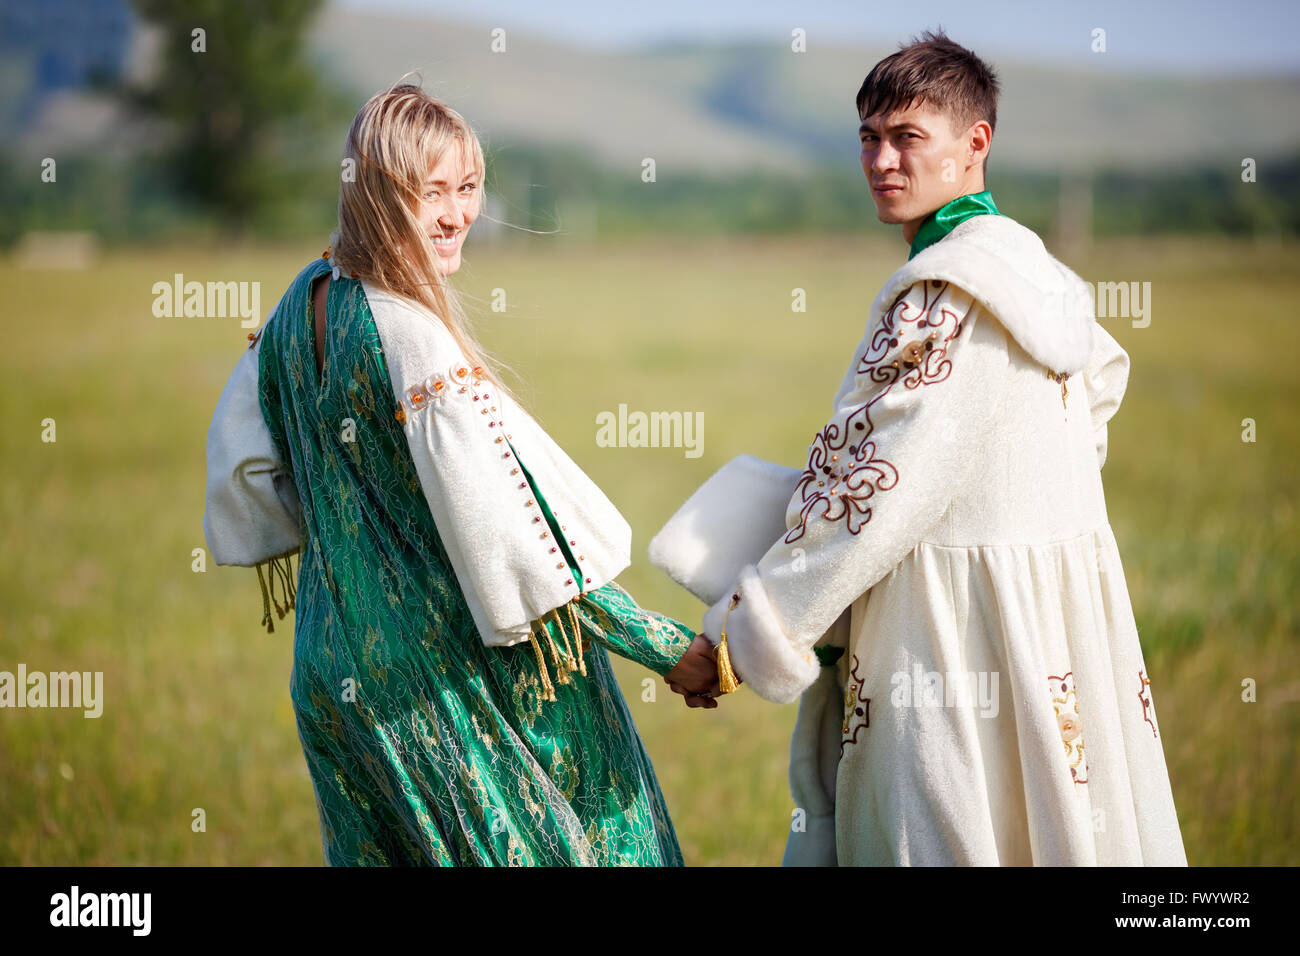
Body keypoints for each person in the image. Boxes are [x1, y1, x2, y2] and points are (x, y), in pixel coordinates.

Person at [674, 31, 1187, 865]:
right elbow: (1092, 406)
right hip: (1045, 622)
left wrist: (736, 644)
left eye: (907, 137)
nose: (882, 160)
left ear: (975, 143)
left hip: (946, 636)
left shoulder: (949, 292)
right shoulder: (1036, 270)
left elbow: (872, 495)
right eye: (869, 138)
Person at [202, 82, 719, 866]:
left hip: (331, 674)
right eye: (430, 192)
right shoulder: (414, 342)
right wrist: (670, 650)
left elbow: (253, 476)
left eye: (467, 188)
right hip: (431, 690)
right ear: (375, 194)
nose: (456, 214)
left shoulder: (292, 310)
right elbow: (526, 555)